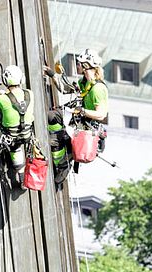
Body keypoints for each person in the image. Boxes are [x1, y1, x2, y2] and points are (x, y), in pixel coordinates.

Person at [46, 48, 109, 185]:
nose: (77, 65)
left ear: (86, 66)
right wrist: (52, 75)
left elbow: (101, 114)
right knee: (50, 116)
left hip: (83, 127)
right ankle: (59, 145)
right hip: (76, 117)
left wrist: (83, 111)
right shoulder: (85, 83)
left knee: (51, 141)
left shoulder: (98, 89)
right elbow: (65, 89)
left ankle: (62, 165)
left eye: (79, 63)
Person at [0, 64, 35, 203]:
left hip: (7, 138)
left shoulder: (2, 100)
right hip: (24, 136)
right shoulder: (30, 94)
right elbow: (15, 101)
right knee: (16, 148)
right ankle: (23, 180)